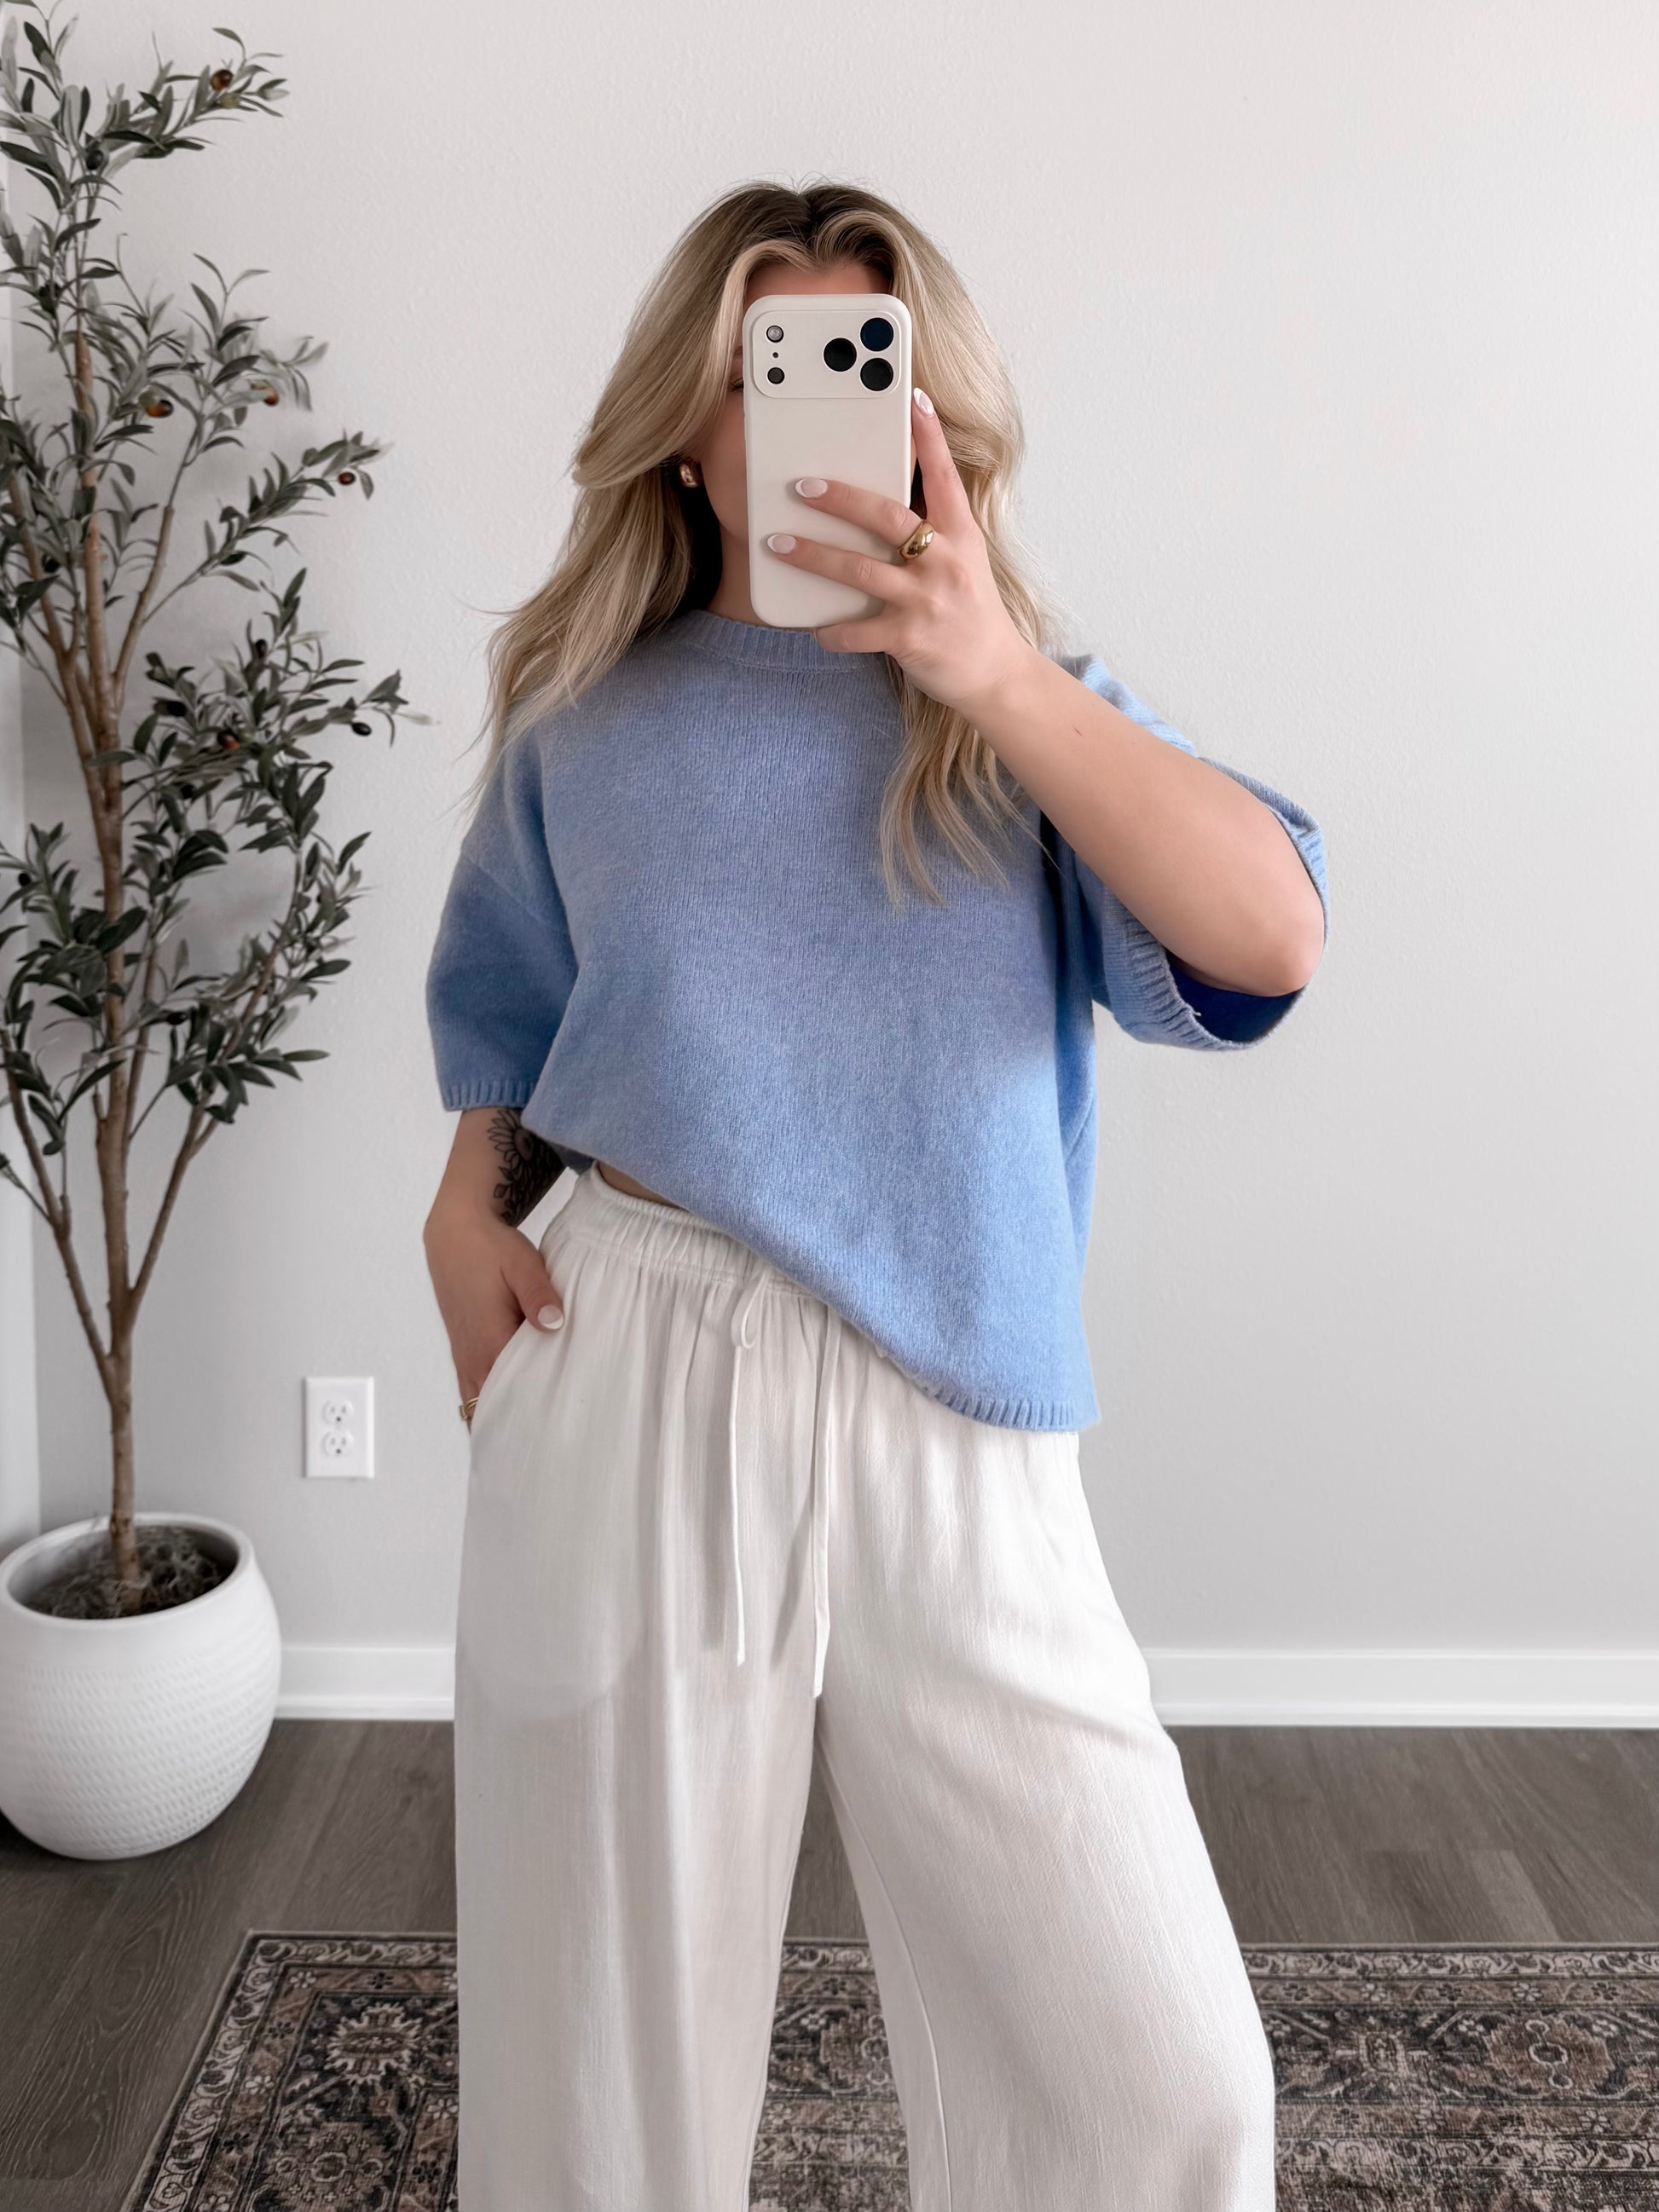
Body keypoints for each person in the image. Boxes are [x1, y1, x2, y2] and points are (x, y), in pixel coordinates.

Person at [422, 179, 1327, 2212]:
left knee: (1158, 2080)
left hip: (956, 1402)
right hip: (634, 1366)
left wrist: (994, 671)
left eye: (855, 363)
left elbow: (1269, 937)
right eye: (767, 370)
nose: (808, 416)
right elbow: (511, 1008)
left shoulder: (1020, 710)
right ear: (684, 422)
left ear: (931, 406)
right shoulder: (588, 711)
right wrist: (464, 1201)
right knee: (595, 2072)